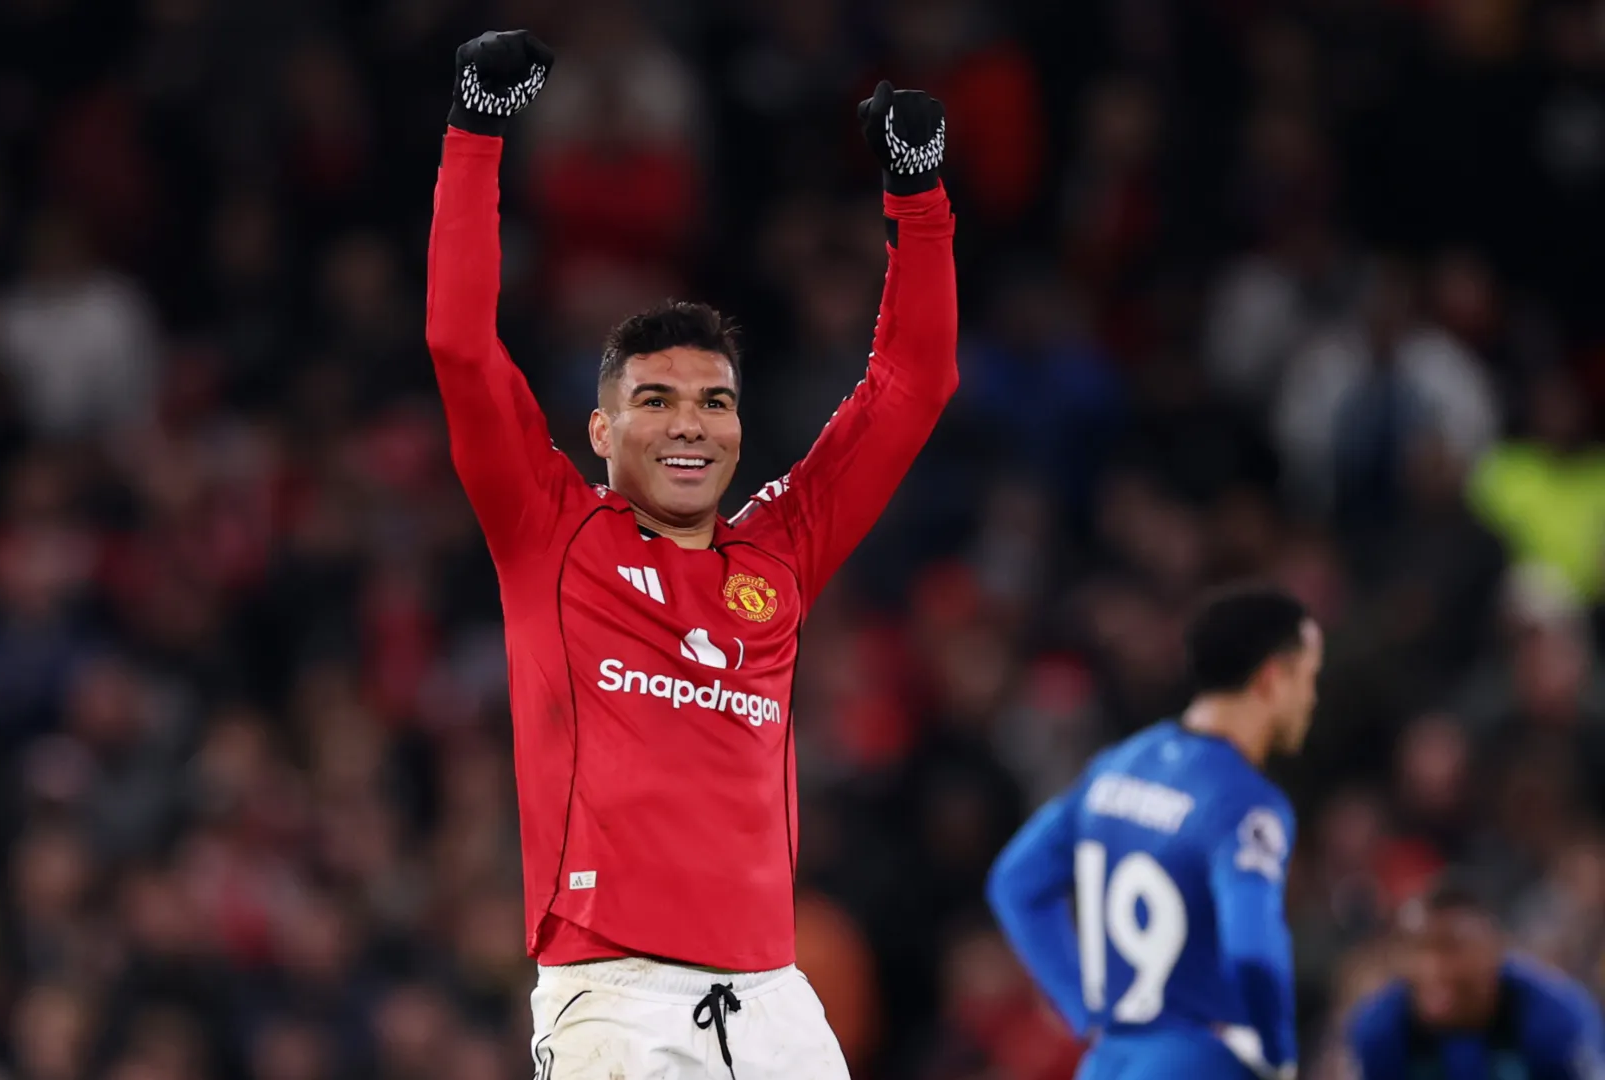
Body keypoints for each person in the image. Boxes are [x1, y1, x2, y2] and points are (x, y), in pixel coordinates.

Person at [424, 28, 957, 1080]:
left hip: (776, 1002)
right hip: (618, 1000)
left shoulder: (781, 555)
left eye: (714, 402)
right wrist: (476, 134)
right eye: (654, 400)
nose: (689, 425)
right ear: (599, 432)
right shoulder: (552, 535)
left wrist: (920, 197)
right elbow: (460, 344)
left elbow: (913, 386)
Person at [987, 585, 1322, 1080]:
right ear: (1273, 678)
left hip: (1109, 1063)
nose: (1311, 699)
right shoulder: (1247, 804)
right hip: (1196, 1062)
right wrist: (1278, 1052)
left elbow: (1015, 883)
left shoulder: (1116, 767)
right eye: (1310, 678)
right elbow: (1252, 948)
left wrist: (1084, 1011)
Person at [1342, 876, 1605, 1080]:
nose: (1432, 969)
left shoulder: (1557, 1020)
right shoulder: (1378, 1030)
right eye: (1416, 948)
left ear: (1494, 950)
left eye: (1450, 948)